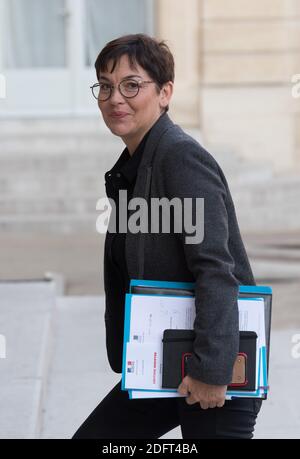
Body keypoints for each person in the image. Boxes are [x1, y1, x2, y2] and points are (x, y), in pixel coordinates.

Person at [72, 33, 262, 439]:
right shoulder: (136, 167)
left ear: (165, 92)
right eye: (105, 86)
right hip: (162, 363)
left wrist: (212, 371)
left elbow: (215, 267)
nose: (115, 98)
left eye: (131, 85)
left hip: (212, 373)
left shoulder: (179, 157)